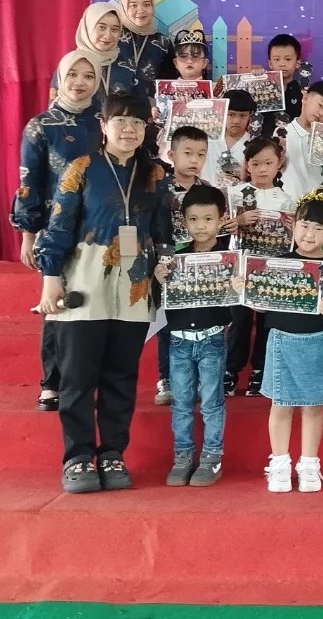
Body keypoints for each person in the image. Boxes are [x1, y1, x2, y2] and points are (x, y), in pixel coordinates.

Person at [34, 93, 173, 493]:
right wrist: (50, 276)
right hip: (85, 278)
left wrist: (164, 265)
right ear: (103, 124)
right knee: (78, 375)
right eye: (121, 121)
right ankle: (77, 457)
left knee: (121, 376)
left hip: (134, 284)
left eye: (138, 122)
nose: (129, 129)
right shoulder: (81, 167)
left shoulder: (155, 174)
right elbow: (59, 226)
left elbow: (163, 231)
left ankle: (112, 453)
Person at [12, 51, 104, 411]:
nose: (80, 82)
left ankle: (85, 381)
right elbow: (29, 183)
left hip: (100, 228)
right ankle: (51, 383)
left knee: (93, 306)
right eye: (73, 75)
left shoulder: (106, 121)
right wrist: (28, 234)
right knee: (57, 305)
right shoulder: (40, 126)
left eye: (88, 76)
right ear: (60, 79)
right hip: (56, 229)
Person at [262, 191, 323, 494]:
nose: (309, 234)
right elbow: (261, 304)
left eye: (318, 228)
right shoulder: (277, 263)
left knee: (313, 406)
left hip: (319, 342)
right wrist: (246, 289)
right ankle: (279, 464)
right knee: (281, 404)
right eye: (304, 225)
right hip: (282, 340)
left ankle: (309, 464)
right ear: (293, 225)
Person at [155, 184, 232, 487]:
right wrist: (159, 279)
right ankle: (183, 456)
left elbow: (240, 301)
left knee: (212, 402)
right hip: (178, 340)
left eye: (208, 219)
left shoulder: (229, 258)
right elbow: (160, 300)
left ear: (221, 219)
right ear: (184, 221)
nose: (201, 226)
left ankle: (212, 457)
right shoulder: (175, 259)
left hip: (213, 338)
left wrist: (238, 284)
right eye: (194, 219)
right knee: (182, 403)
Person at [225, 137, 297, 397]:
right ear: (247, 165)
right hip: (241, 269)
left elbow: (295, 238)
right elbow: (221, 228)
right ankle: (230, 370)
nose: (263, 169)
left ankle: (261, 370)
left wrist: (293, 228)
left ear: (279, 164)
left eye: (268, 163)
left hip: (272, 271)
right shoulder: (234, 194)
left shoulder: (288, 200)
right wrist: (238, 221)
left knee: (268, 322)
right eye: (256, 164)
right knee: (239, 320)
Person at [155, 124, 211, 407]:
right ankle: (166, 378)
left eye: (201, 154)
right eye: (187, 153)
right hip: (167, 265)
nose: (194, 160)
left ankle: (198, 378)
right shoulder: (159, 188)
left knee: (198, 321)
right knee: (167, 324)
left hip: (200, 265)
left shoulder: (209, 191)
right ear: (171, 154)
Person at [49, 2, 122, 101]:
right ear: (88, 27)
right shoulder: (70, 64)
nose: (108, 35)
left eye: (114, 29)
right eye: (102, 27)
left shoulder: (126, 65)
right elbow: (56, 105)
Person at [280, 81, 323, 198]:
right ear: (305, 98)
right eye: (320, 105)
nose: (321, 113)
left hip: (319, 204)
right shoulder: (282, 133)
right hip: (289, 202)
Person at [114, 0, 172, 101]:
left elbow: (170, 81)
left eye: (146, 4)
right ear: (124, 7)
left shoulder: (163, 43)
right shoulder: (113, 37)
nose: (140, 10)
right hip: (115, 109)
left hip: (150, 109)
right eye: (133, 5)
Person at [205, 89, 257, 192]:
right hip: (206, 196)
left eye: (242, 115)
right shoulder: (206, 139)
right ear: (222, 112)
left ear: (250, 116)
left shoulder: (255, 145)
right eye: (231, 114)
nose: (236, 121)